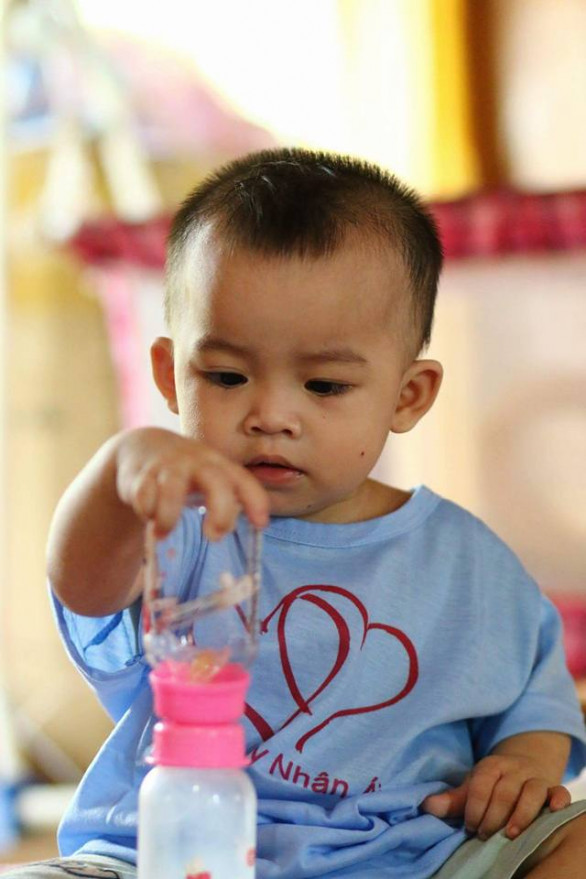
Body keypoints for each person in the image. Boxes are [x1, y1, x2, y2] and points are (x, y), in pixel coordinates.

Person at [8, 148, 586, 879]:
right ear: (170, 374)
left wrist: (520, 764)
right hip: (164, 851)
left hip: (409, 859)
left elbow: (537, 705)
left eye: (323, 385)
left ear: (407, 395)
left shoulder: (465, 561)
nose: (271, 415)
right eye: (226, 376)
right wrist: (118, 470)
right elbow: (84, 585)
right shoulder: (172, 521)